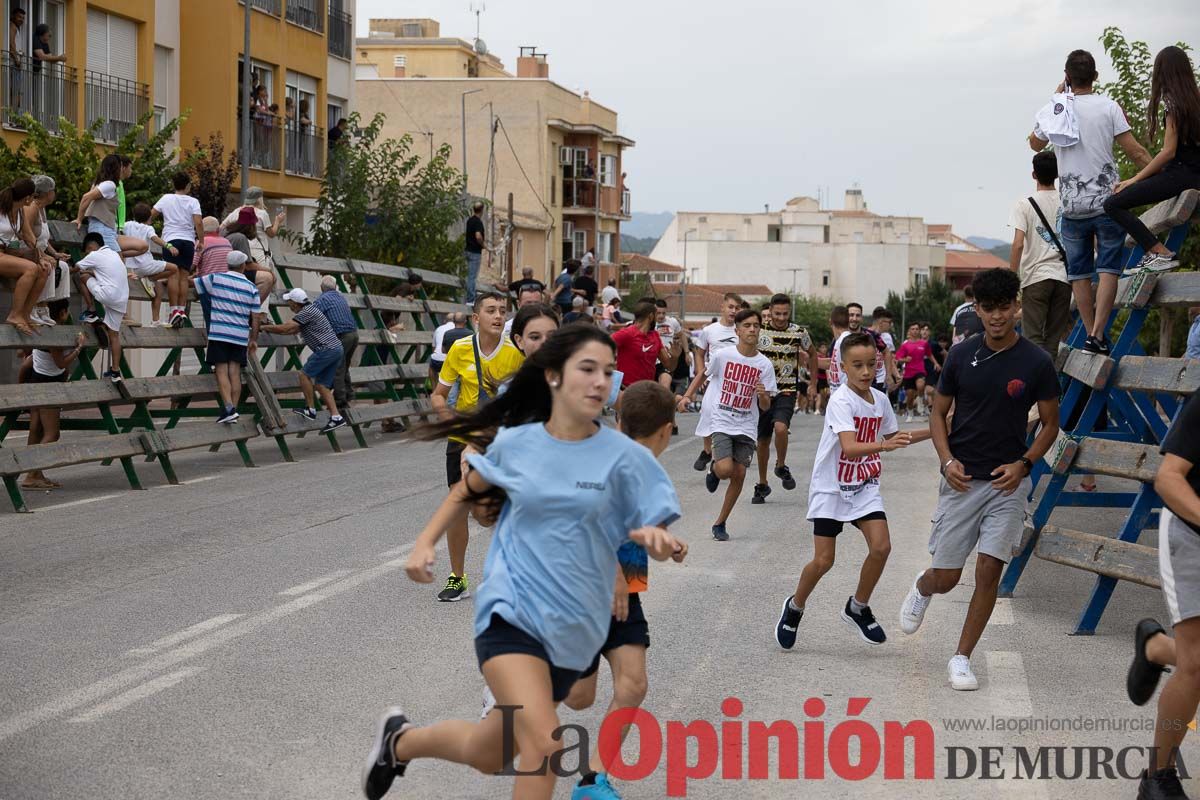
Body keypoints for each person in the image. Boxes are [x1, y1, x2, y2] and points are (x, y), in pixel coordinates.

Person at [361, 326, 684, 800]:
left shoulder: (627, 460)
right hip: (511, 615)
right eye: (587, 369)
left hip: (573, 633)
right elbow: (465, 491)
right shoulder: (519, 443)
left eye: (608, 373)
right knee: (544, 744)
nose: (600, 382)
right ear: (553, 377)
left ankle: (401, 741)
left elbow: (650, 537)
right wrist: (424, 543)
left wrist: (656, 541)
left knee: (489, 750)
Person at [899, 268, 1060, 691]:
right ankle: (923, 584)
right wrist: (945, 460)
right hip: (962, 480)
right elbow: (937, 413)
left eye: (1005, 308)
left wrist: (1025, 464)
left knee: (989, 571)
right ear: (978, 310)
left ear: (1017, 308)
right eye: (988, 309)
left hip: (1008, 483)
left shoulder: (1037, 362)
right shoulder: (960, 356)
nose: (997, 317)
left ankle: (961, 658)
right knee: (948, 578)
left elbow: (1048, 425)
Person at [561, 380, 681, 800]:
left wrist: (668, 543)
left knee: (632, 685)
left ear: (617, 417)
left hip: (623, 597)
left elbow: (654, 539)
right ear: (668, 430)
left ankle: (593, 781)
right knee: (578, 698)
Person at [775, 332, 930, 649]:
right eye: (857, 365)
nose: (865, 372)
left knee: (881, 547)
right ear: (842, 367)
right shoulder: (840, 400)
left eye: (871, 364)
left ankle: (857, 607)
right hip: (832, 488)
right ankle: (794, 607)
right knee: (823, 561)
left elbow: (896, 437)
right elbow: (849, 445)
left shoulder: (881, 400)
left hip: (864, 485)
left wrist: (939, 429)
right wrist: (884, 446)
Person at [1029, 49, 1153, 356]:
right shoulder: (1109, 107)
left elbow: (1034, 143)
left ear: (1067, 77)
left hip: (1071, 206)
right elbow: (1135, 151)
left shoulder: (1058, 109)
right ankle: (1098, 333)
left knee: (1079, 274)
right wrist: (1156, 177)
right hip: (1107, 202)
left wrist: (1055, 98)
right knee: (1109, 268)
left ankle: (1090, 334)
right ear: (1095, 76)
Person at [1121, 390, 1200, 800]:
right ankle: (1158, 776)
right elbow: (1168, 477)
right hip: (1193, 531)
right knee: (1198, 664)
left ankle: (1154, 648)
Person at [431, 292, 524, 602]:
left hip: (501, 438)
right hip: (462, 437)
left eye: (502, 311)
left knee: (490, 514)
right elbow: (438, 395)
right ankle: (457, 578)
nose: (498, 316)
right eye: (491, 311)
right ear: (475, 318)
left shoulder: (516, 353)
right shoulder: (459, 349)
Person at [678, 307, 777, 541]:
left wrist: (762, 395)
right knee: (725, 470)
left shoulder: (765, 365)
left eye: (756, 325)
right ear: (738, 331)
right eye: (747, 326)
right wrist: (687, 396)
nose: (752, 329)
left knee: (740, 473)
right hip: (722, 420)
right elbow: (703, 374)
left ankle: (720, 522)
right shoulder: (724, 356)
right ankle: (714, 469)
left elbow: (765, 406)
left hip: (746, 425)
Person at [1105, 45, 1200, 276]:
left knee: (1112, 204)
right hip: (1193, 174)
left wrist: (1134, 179)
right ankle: (1158, 253)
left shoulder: (1173, 105)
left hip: (1181, 174)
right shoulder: (1195, 101)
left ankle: (1159, 253)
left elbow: (1168, 152)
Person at [753, 293, 818, 504]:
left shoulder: (799, 332)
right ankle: (762, 484)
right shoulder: (759, 331)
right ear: (770, 312)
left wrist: (814, 383)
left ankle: (781, 466)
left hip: (787, 389)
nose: (781, 318)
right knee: (762, 440)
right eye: (777, 313)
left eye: (785, 313)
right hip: (763, 392)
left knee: (780, 428)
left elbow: (813, 353)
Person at [1009, 150, 1072, 357]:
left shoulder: (1024, 205)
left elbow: (1018, 245)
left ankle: (1035, 388)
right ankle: (1050, 387)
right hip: (1064, 278)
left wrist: (1012, 279)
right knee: (1052, 343)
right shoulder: (1068, 201)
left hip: (1035, 278)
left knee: (1033, 340)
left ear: (1034, 174)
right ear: (1057, 173)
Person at [261, 288, 347, 434]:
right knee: (322, 385)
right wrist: (273, 328)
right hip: (336, 349)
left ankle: (310, 409)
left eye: (289, 302)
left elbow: (286, 328)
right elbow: (291, 330)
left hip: (326, 349)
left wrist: (263, 327)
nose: (289, 305)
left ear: (295, 303)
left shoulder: (306, 313)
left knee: (304, 375)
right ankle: (336, 416)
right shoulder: (312, 310)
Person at [19, 300, 85, 490]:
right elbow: (61, 364)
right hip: (48, 384)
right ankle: (31, 474)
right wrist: (78, 347)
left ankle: (35, 474)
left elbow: (26, 363)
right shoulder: (55, 334)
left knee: (36, 429)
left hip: (35, 380)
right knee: (52, 434)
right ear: (63, 312)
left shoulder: (42, 327)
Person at [195, 251, 260, 424]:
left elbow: (195, 284)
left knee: (221, 371)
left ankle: (229, 408)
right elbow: (255, 317)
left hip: (220, 333)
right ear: (243, 266)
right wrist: (253, 339)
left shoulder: (216, 278)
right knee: (235, 372)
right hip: (240, 335)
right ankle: (234, 410)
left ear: (227, 264)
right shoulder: (252, 287)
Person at [691, 293, 742, 472]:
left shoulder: (741, 330)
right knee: (707, 412)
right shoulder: (709, 330)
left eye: (737, 308)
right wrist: (700, 372)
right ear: (723, 307)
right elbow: (699, 352)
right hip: (713, 380)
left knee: (727, 420)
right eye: (730, 307)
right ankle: (707, 451)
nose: (733, 311)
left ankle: (719, 457)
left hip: (735, 384)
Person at [151, 171, 204, 328]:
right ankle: (181, 310)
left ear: (174, 185)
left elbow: (151, 214)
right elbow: (199, 223)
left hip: (170, 240)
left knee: (173, 275)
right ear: (187, 186)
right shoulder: (193, 201)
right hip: (188, 242)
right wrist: (201, 241)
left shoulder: (166, 199)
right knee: (184, 277)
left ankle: (173, 311)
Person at [75, 232, 128, 382]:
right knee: (114, 335)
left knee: (82, 276)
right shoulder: (114, 255)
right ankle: (115, 372)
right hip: (121, 299)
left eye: (87, 251)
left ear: (91, 247)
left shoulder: (95, 255)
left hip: (108, 295)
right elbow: (105, 272)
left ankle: (91, 311)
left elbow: (76, 267)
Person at [73, 155, 147, 260]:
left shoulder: (101, 183)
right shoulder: (109, 185)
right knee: (118, 263)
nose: (122, 169)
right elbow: (86, 197)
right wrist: (79, 219)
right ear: (116, 167)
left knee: (142, 246)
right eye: (120, 166)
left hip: (108, 229)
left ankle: (113, 255)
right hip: (102, 229)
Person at [0, 176, 49, 334]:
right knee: (30, 269)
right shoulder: (1, 207)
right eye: (33, 196)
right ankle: (14, 315)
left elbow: (29, 236)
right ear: (27, 197)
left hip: (7, 253)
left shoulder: (20, 211)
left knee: (43, 270)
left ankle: (25, 314)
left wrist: (41, 257)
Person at [122, 203, 180, 320]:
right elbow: (155, 238)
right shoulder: (148, 228)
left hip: (135, 268)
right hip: (147, 264)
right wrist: (169, 246)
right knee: (174, 268)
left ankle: (155, 320)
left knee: (158, 288)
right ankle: (150, 279)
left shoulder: (127, 225)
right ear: (149, 218)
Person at [28, 175, 70, 328]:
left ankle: (45, 307)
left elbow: (44, 239)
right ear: (47, 193)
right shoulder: (32, 208)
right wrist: (43, 255)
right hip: (30, 251)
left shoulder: (43, 209)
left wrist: (55, 253)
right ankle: (35, 306)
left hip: (39, 250)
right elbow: (28, 238)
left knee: (63, 267)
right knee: (49, 266)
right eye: (53, 190)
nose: (55, 193)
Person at [314, 275, 359, 411]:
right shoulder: (341, 297)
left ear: (322, 288)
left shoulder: (323, 299)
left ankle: (340, 399)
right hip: (354, 335)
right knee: (344, 365)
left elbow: (312, 314)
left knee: (337, 367)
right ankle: (349, 393)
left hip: (342, 336)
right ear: (335, 287)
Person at [220, 186, 284, 271]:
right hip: (257, 252)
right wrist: (277, 221)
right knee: (266, 276)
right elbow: (271, 234)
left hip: (239, 251)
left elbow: (221, 227)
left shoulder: (237, 211)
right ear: (260, 199)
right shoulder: (262, 214)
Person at [612, 301, 669, 391]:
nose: (658, 318)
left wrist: (676, 355)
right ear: (651, 316)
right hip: (626, 390)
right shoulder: (627, 333)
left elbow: (668, 364)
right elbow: (603, 345)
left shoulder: (655, 335)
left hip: (647, 391)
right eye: (656, 314)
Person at [894, 322, 931, 422]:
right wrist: (905, 360)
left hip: (920, 370)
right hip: (909, 373)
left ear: (919, 331)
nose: (915, 331)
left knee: (920, 385)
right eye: (913, 329)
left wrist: (936, 364)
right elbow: (897, 357)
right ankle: (910, 413)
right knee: (909, 396)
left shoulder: (924, 343)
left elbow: (930, 355)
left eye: (917, 329)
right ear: (910, 331)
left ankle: (920, 402)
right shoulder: (905, 345)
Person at [868, 307, 898, 391]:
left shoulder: (887, 337)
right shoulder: (864, 334)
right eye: (889, 322)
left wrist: (895, 374)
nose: (891, 325)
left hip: (881, 379)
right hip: (868, 377)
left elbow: (889, 358)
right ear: (881, 322)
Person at [823, 305, 852, 392]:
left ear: (830, 322)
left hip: (845, 396)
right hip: (838, 395)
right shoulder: (839, 340)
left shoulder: (846, 340)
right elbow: (831, 362)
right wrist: (810, 359)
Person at [430, 312, 466, 382]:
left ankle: (434, 390)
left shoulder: (438, 329)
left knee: (432, 368)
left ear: (444, 321)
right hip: (451, 362)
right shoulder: (458, 330)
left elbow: (434, 348)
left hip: (437, 361)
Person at [464, 202, 486, 304]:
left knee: (468, 275)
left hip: (467, 250)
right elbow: (478, 236)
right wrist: (482, 244)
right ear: (482, 210)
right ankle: (470, 300)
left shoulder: (469, 220)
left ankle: (468, 297)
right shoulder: (478, 222)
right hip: (475, 252)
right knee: (472, 277)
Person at [8, 6, 25, 113]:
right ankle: (14, 115)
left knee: (16, 90)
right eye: (19, 17)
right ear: (13, 16)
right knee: (15, 90)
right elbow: (11, 43)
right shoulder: (12, 26)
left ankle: (14, 114)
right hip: (13, 63)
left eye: (23, 18)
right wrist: (16, 59)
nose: (21, 20)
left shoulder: (15, 27)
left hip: (14, 62)